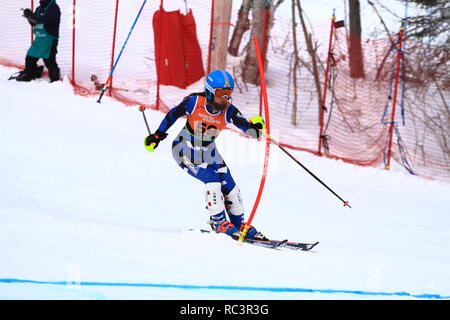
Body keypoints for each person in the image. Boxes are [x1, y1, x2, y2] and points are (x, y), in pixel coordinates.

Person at [145, 70, 268, 241]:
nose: (225, 98)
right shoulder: (194, 102)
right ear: (210, 91)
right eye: (220, 93)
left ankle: (239, 225)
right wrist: (157, 135)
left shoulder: (229, 111)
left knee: (229, 183)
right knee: (212, 179)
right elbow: (173, 114)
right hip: (184, 150)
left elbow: (250, 131)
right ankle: (218, 222)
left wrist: (256, 126)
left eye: (228, 93)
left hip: (208, 151)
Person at [16, 0, 61, 82]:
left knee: (49, 60)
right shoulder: (39, 8)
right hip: (39, 39)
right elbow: (34, 23)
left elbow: (48, 20)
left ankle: (55, 80)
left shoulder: (54, 7)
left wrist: (33, 17)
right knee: (30, 57)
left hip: (50, 39)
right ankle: (29, 74)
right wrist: (29, 16)